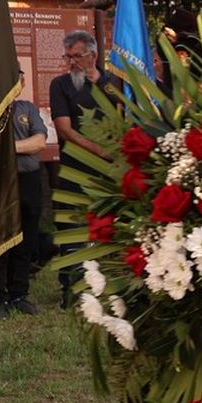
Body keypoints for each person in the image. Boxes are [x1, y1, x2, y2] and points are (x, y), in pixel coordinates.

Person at [49, 30, 116, 307]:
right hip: (75, 170)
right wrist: (98, 150)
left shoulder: (114, 84)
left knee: (108, 227)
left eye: (77, 56)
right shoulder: (61, 85)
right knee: (72, 228)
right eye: (68, 57)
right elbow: (65, 130)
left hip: (109, 173)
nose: (72, 62)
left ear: (93, 55)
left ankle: (109, 284)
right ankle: (72, 288)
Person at [0, 94, 48, 319]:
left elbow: (39, 142)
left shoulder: (28, 108)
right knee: (1, 240)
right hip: (0, 179)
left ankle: (19, 295)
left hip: (29, 180)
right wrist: (25, 146)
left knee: (27, 240)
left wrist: (6, 147)